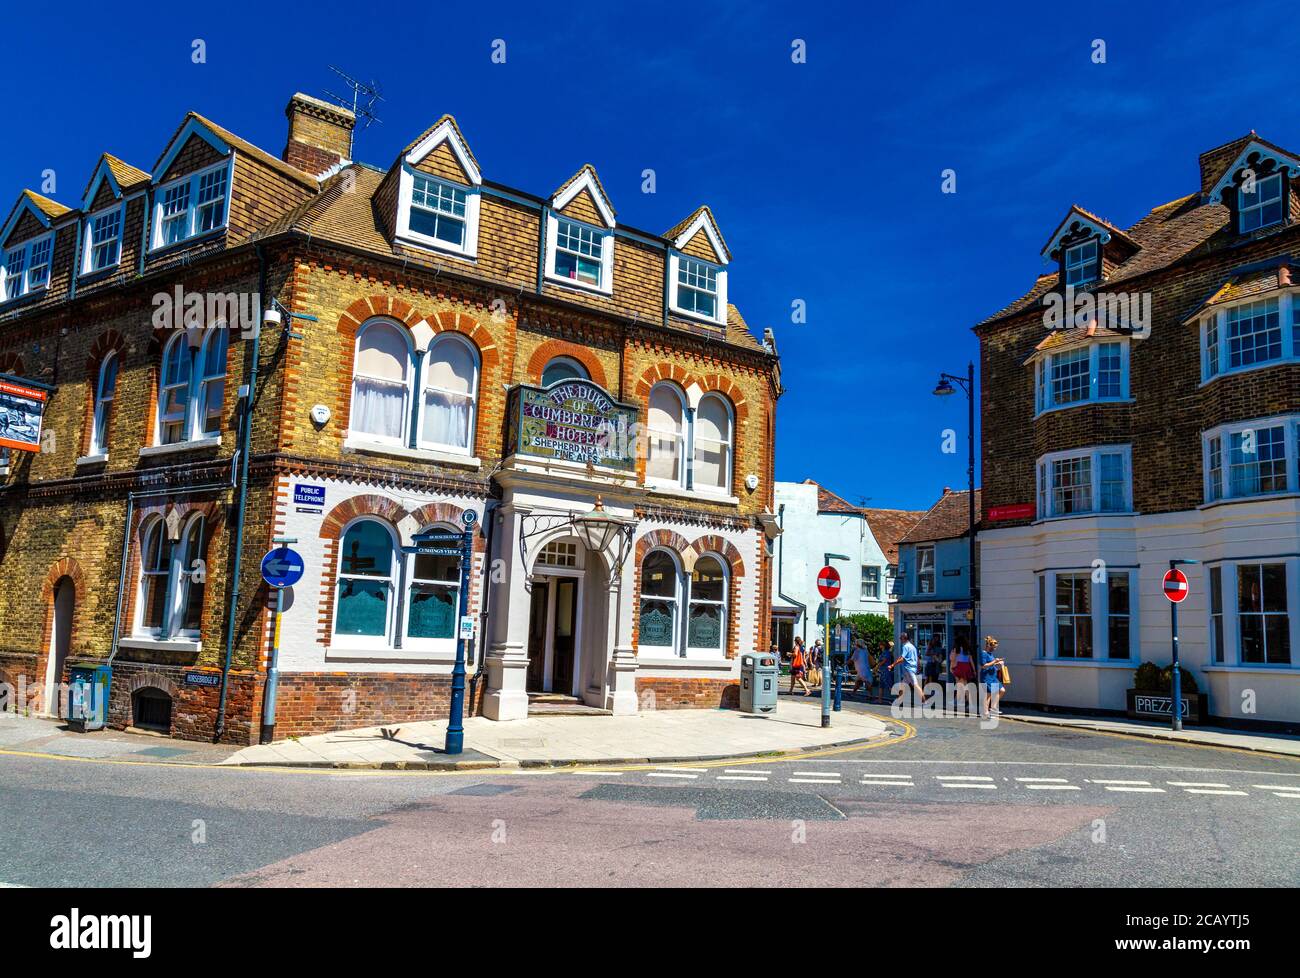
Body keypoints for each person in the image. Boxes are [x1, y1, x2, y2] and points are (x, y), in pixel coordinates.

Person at [891, 631, 928, 706]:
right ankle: (898, 702)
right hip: (911, 669)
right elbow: (917, 657)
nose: (900, 638)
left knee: (915, 685)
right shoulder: (912, 646)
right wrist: (918, 666)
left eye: (901, 637)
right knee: (903, 686)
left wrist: (892, 665)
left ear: (904, 638)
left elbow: (902, 658)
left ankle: (925, 702)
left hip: (908, 669)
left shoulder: (905, 646)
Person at [979, 636, 1006, 716]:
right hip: (986, 677)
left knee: (1002, 690)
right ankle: (985, 712)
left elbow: (991, 665)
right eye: (993, 647)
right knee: (988, 695)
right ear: (988, 645)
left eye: (995, 647)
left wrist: (999, 663)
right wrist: (995, 661)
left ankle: (993, 708)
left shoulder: (990, 654)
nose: (994, 649)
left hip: (993, 676)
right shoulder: (983, 653)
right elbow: (983, 666)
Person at [950, 640, 976, 713]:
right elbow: (971, 661)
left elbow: (953, 659)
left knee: (963, 686)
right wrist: (974, 670)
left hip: (959, 666)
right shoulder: (967, 650)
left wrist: (951, 667)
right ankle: (956, 701)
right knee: (960, 685)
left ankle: (970, 703)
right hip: (966, 666)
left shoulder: (956, 649)